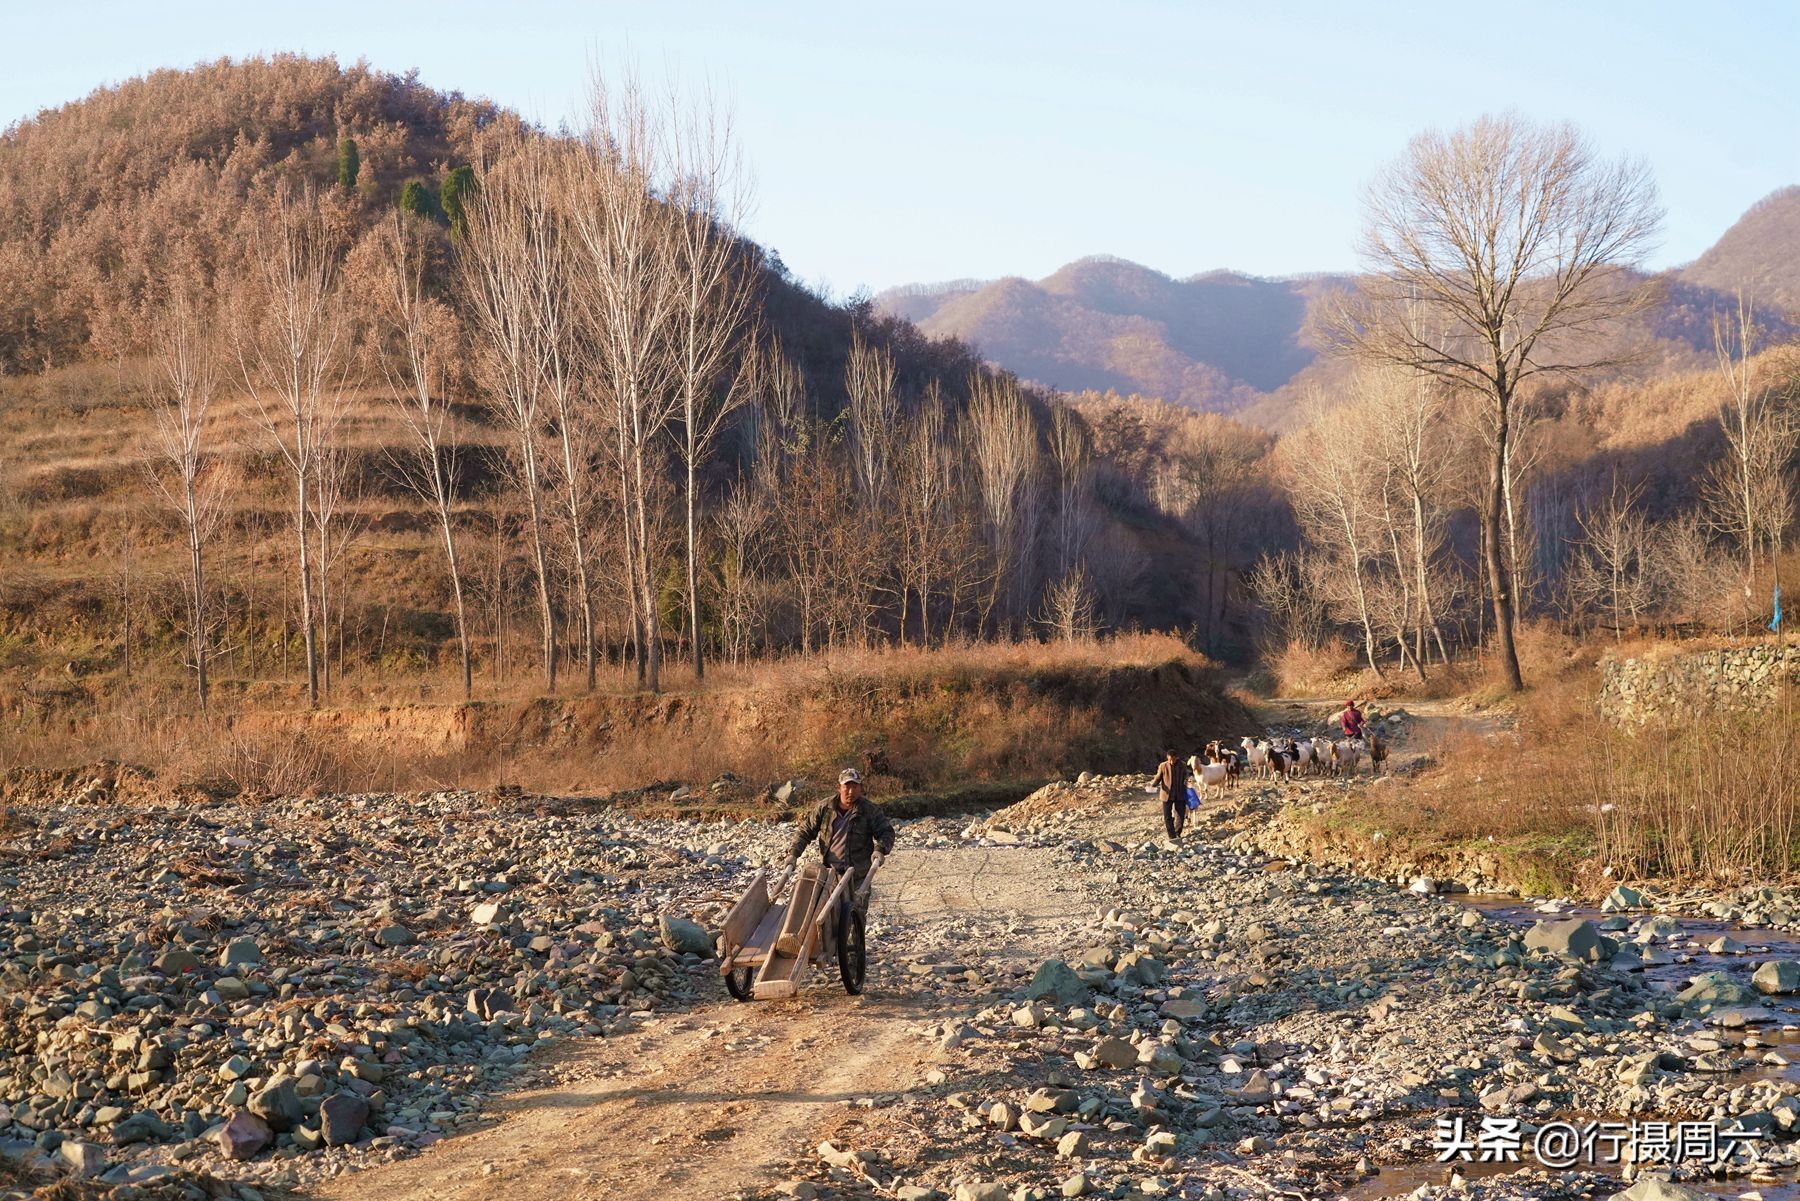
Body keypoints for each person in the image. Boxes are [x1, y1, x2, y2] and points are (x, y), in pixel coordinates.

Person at [787, 767, 895, 910]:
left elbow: (886, 832)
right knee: (827, 914)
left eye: (855, 787)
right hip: (830, 872)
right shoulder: (825, 808)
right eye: (847, 787)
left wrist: (880, 849)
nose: (851, 792)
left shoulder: (869, 810)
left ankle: (857, 932)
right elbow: (805, 831)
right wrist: (794, 853)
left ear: (860, 788)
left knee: (856, 914)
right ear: (839, 787)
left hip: (858, 875)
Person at [1152, 748, 1189, 843]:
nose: (1171, 761)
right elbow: (1158, 777)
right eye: (1169, 759)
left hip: (1180, 794)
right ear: (1167, 758)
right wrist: (1153, 784)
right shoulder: (1163, 765)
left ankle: (1177, 833)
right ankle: (1171, 835)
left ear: (1176, 758)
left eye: (1173, 759)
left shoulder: (1183, 765)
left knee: (1180, 815)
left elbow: (1186, 776)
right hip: (1167, 794)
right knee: (1167, 816)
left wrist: (1185, 782)